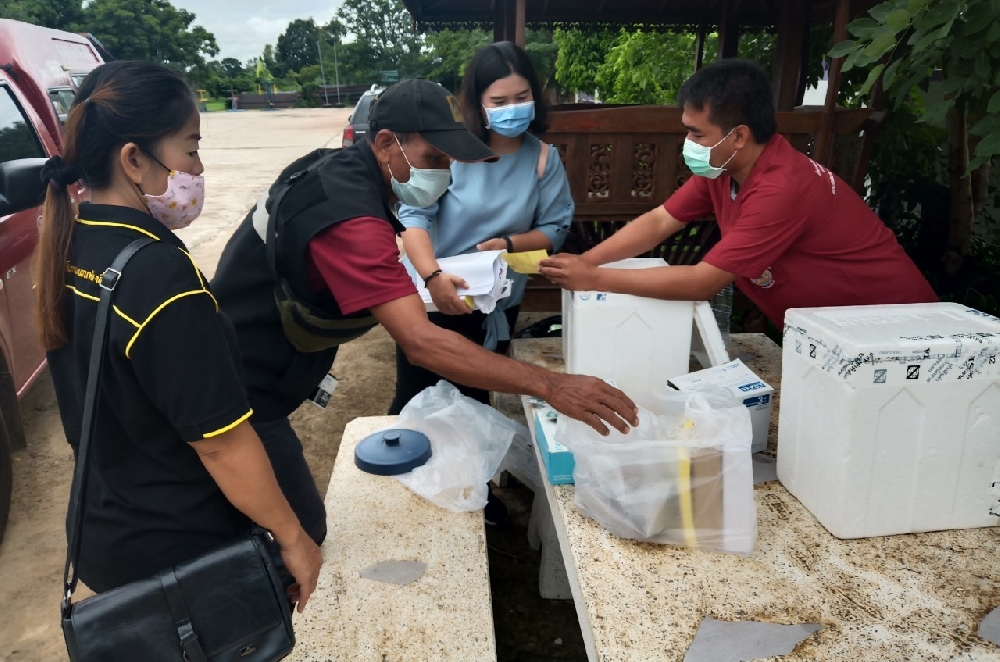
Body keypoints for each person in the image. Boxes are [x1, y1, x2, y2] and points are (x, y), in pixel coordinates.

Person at [210, 79, 637, 544]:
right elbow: (420, 341)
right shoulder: (349, 217)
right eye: (434, 158)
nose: (445, 174)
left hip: (261, 363)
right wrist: (551, 385)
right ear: (385, 143)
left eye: (450, 161)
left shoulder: (343, 170)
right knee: (295, 532)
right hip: (235, 385)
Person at [35, 62, 321, 608]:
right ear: (134, 159)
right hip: (182, 553)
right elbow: (221, 443)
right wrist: (293, 536)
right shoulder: (159, 275)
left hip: (106, 526)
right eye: (190, 149)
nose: (198, 167)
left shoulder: (73, 242)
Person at [539, 59, 937, 327]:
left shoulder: (781, 188)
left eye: (697, 133)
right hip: (836, 331)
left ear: (739, 136)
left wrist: (595, 278)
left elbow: (702, 282)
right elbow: (661, 221)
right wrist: (586, 261)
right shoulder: (723, 168)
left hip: (897, 328)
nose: (688, 142)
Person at [388, 42, 574, 415]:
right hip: (434, 294)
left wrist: (509, 243)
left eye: (521, 97)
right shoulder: (451, 152)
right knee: (417, 399)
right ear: (478, 103)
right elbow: (414, 216)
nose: (512, 108)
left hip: (496, 302)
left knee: (475, 403)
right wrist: (432, 276)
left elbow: (555, 227)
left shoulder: (542, 158)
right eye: (499, 101)